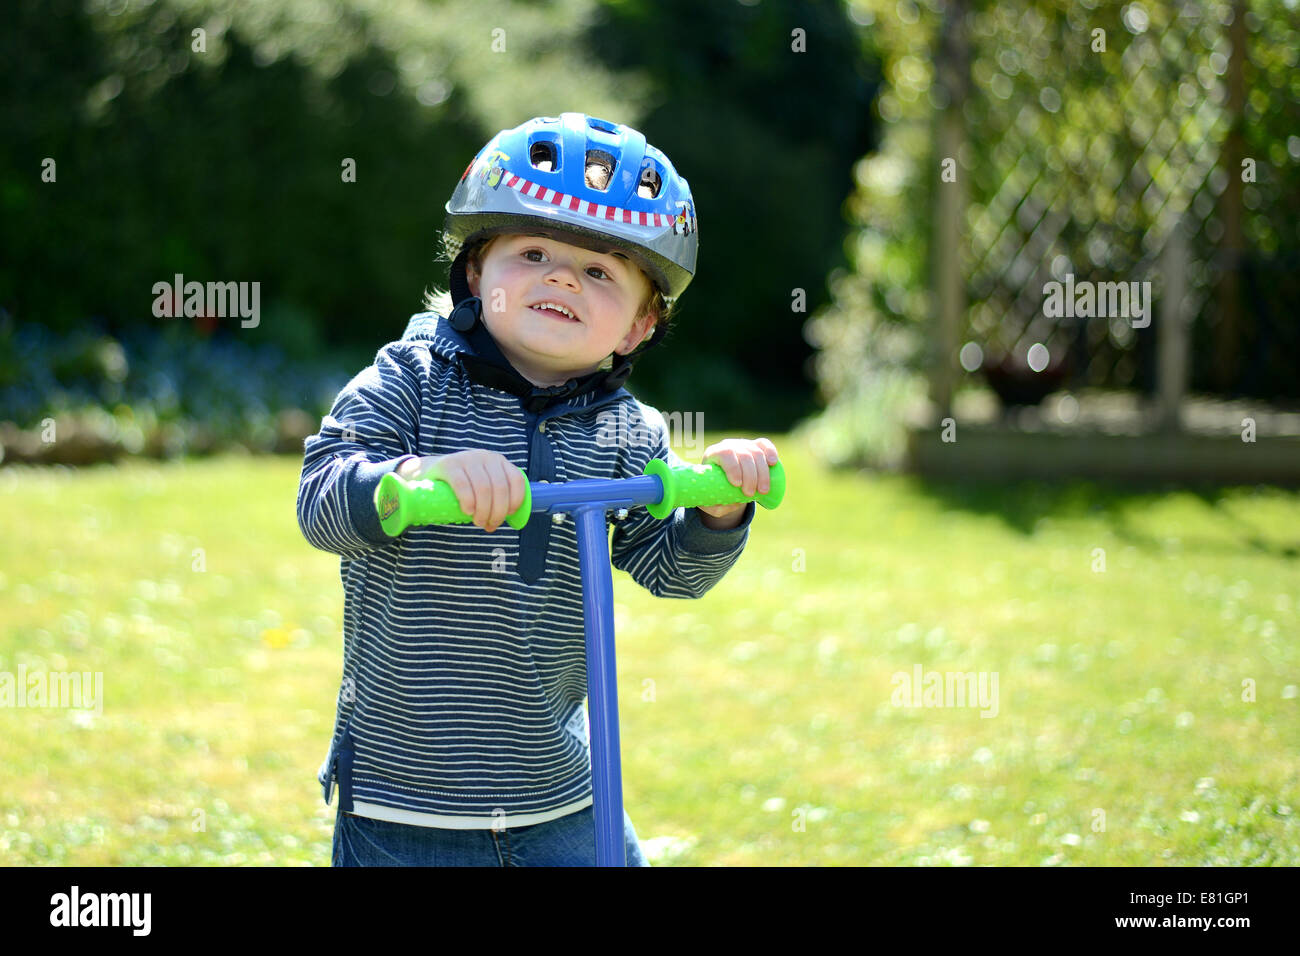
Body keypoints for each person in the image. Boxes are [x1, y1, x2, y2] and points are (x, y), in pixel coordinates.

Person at [296, 112, 780, 866]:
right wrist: (414, 478)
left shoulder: (630, 433)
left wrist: (719, 509)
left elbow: (670, 570)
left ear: (639, 326)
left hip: (564, 793)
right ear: (475, 271)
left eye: (599, 271)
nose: (560, 277)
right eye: (532, 252)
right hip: (404, 802)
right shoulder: (409, 382)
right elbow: (321, 497)